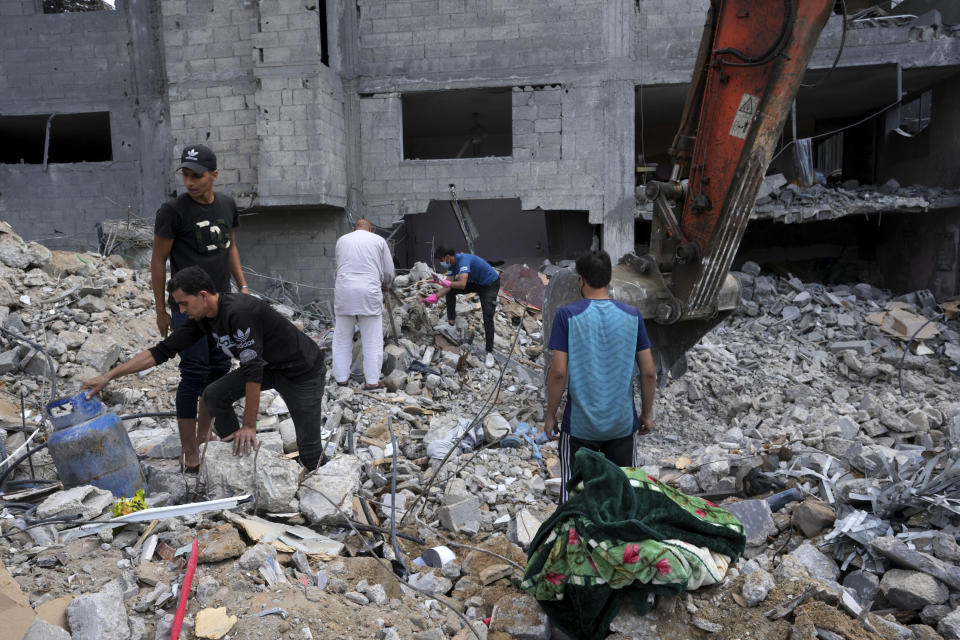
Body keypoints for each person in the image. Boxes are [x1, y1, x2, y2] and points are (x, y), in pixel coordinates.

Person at [82, 266, 326, 470]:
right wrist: (108, 376)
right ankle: (240, 458)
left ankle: (323, 483)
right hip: (269, 366)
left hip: (301, 371)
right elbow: (160, 352)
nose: (181, 311)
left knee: (308, 447)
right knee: (213, 395)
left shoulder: (239, 313)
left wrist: (250, 425)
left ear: (202, 295)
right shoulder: (202, 319)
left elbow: (253, 369)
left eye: (184, 304)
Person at [151, 143, 249, 471]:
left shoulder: (226, 205)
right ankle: (188, 447)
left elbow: (231, 247)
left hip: (220, 305)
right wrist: (162, 310)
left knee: (219, 369)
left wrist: (243, 286)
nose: (190, 182)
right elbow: (158, 261)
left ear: (214, 175)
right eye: (186, 175)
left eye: (197, 175)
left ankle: (205, 435)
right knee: (193, 372)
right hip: (187, 308)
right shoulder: (173, 211)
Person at [544, 250, 657, 503]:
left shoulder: (567, 315)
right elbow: (649, 373)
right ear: (609, 279)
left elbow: (559, 373)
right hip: (622, 425)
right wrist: (647, 414)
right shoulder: (632, 316)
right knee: (625, 498)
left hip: (580, 427)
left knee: (575, 499)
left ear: (581, 280)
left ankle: (578, 541)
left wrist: (550, 414)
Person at [332, 219, 395, 389]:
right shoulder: (379, 241)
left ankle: (341, 379)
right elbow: (388, 271)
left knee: (341, 338)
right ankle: (372, 381)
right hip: (368, 292)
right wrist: (386, 286)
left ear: (354, 229)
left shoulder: (342, 240)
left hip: (344, 292)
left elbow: (339, 267)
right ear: (371, 229)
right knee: (372, 340)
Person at [422, 246, 500, 368]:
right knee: (451, 291)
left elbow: (462, 284)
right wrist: (434, 297)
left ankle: (489, 352)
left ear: (447, 257)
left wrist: (445, 282)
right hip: (478, 283)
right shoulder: (452, 266)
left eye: (441, 260)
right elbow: (448, 286)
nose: (441, 263)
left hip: (490, 284)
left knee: (487, 315)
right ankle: (451, 323)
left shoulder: (463, 261)